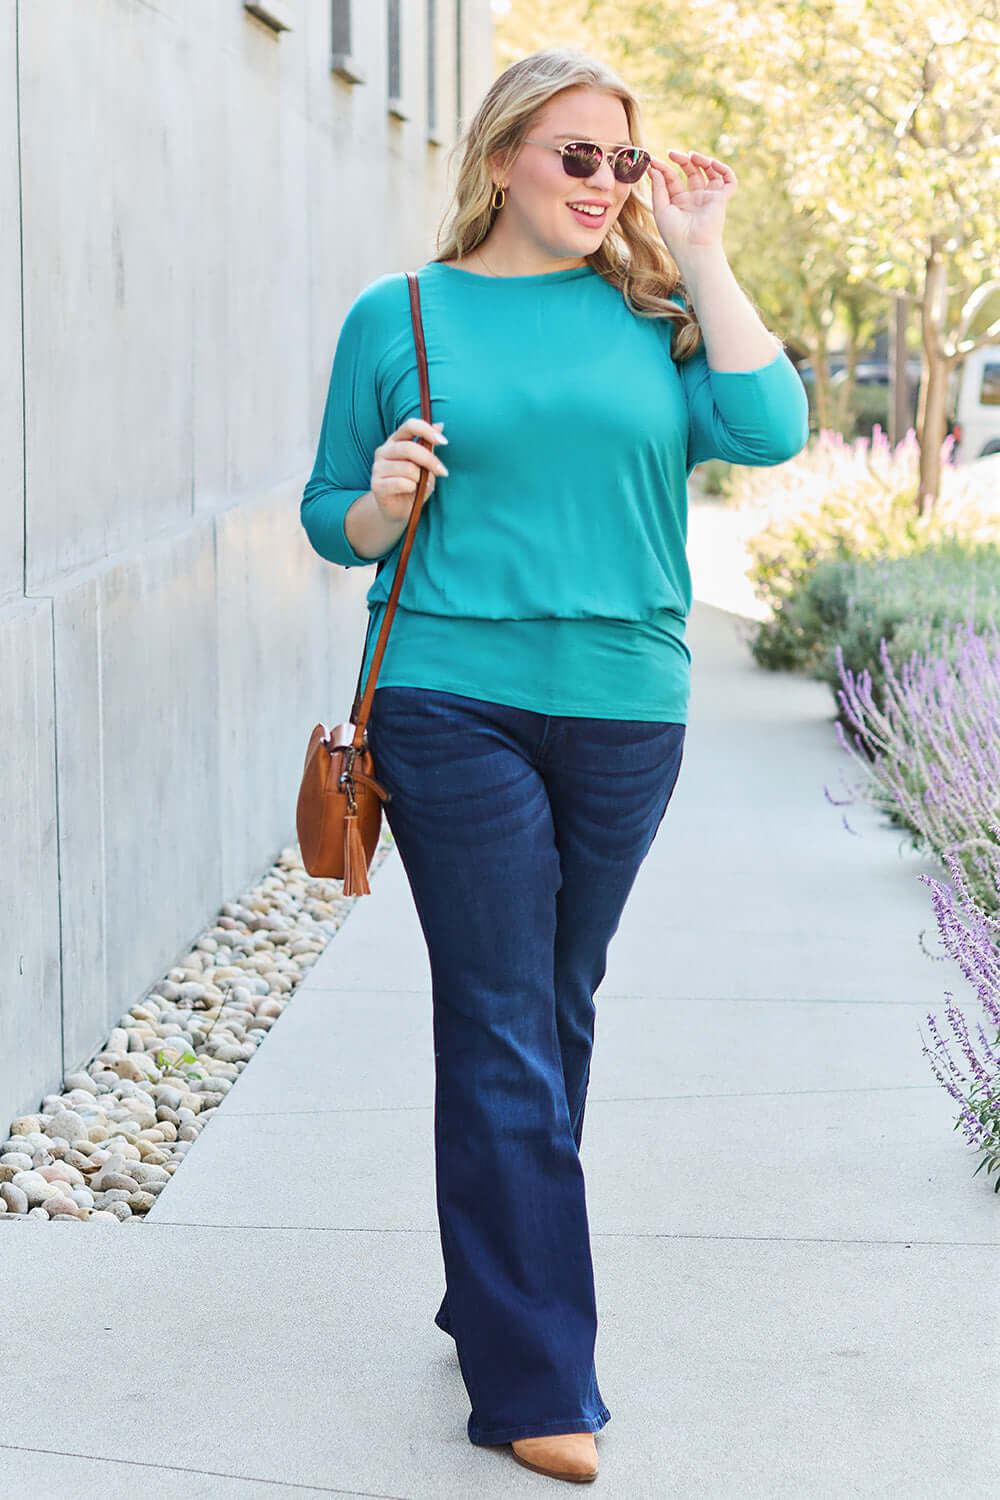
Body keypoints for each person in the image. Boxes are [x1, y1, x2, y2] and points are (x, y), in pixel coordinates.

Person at [301, 46, 808, 1487]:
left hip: (627, 704)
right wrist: (382, 503)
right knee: (505, 1013)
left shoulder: (654, 316)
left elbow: (771, 429)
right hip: (450, 698)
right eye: (576, 156)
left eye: (624, 163)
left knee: (553, 1003)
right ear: (504, 157)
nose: (603, 184)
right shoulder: (397, 313)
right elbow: (325, 509)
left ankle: (490, 1286)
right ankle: (535, 1380)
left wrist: (701, 249)